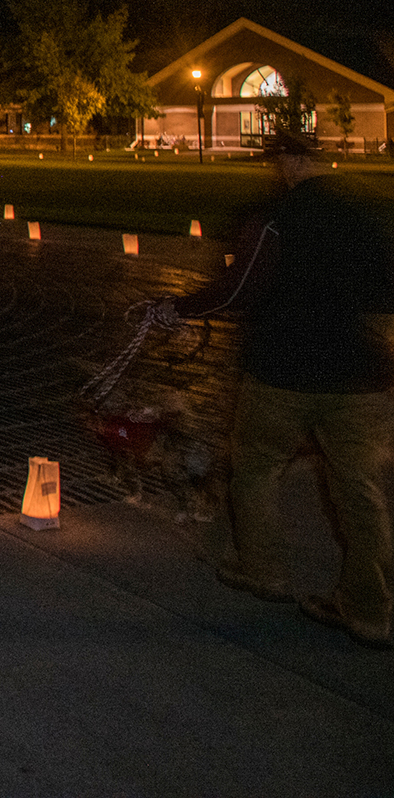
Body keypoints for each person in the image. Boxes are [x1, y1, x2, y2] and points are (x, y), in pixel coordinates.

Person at [163, 130, 394, 650]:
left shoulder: (273, 215)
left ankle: (262, 569)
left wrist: (179, 307)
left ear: (288, 162)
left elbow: (242, 287)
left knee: (255, 468)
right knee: (361, 492)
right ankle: (370, 610)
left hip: (281, 370)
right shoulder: (366, 212)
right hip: (359, 375)